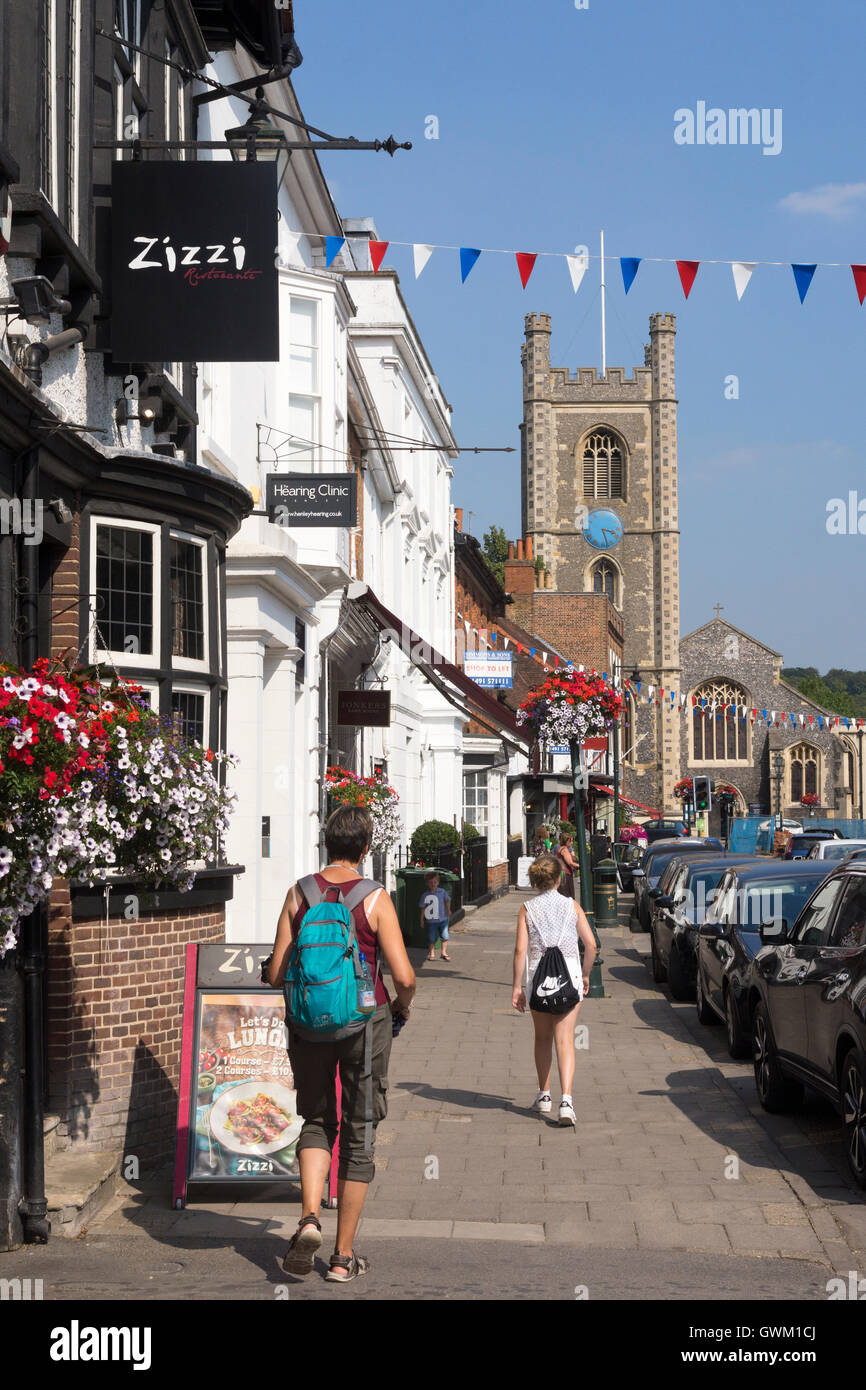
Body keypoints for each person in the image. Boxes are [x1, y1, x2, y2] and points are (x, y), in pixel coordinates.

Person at [267, 804, 416, 1283]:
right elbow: (405, 975)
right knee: (360, 1129)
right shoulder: (375, 898)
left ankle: (309, 1216)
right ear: (367, 848)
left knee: (315, 1118)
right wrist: (400, 1006)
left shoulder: (299, 893)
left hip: (308, 1023)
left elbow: (274, 973)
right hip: (363, 1022)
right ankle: (341, 1258)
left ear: (326, 843)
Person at [511, 853, 597, 1127]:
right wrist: (585, 975)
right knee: (565, 1041)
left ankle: (544, 1095)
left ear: (536, 880)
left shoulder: (527, 908)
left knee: (542, 1039)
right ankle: (567, 1103)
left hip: (538, 979)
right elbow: (591, 945)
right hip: (569, 977)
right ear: (559, 879)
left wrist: (516, 987)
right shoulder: (572, 906)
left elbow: (520, 950)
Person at [420, 870, 452, 962]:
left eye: (435, 882)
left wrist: (448, 909)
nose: (433, 884)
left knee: (445, 936)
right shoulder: (425, 895)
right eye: (430, 882)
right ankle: (432, 953)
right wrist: (421, 920)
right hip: (431, 921)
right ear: (427, 884)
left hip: (443, 919)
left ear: (438, 882)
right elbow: (423, 908)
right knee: (431, 938)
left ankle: (443, 952)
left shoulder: (442, 892)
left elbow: (447, 900)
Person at [556, 832, 576, 899]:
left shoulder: (560, 848)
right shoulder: (564, 850)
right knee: (567, 895)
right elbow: (570, 863)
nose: (572, 843)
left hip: (561, 873)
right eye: (570, 841)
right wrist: (581, 865)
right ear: (566, 841)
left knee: (563, 894)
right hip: (565, 874)